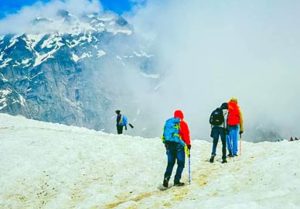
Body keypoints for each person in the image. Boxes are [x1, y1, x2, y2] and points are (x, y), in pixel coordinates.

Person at [162, 109, 191, 187]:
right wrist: (188, 144)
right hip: (179, 146)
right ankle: (176, 180)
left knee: (170, 163)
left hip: (169, 145)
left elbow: (164, 135)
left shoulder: (169, 123)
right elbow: (186, 135)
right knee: (181, 164)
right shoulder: (182, 124)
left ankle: (166, 178)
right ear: (182, 116)